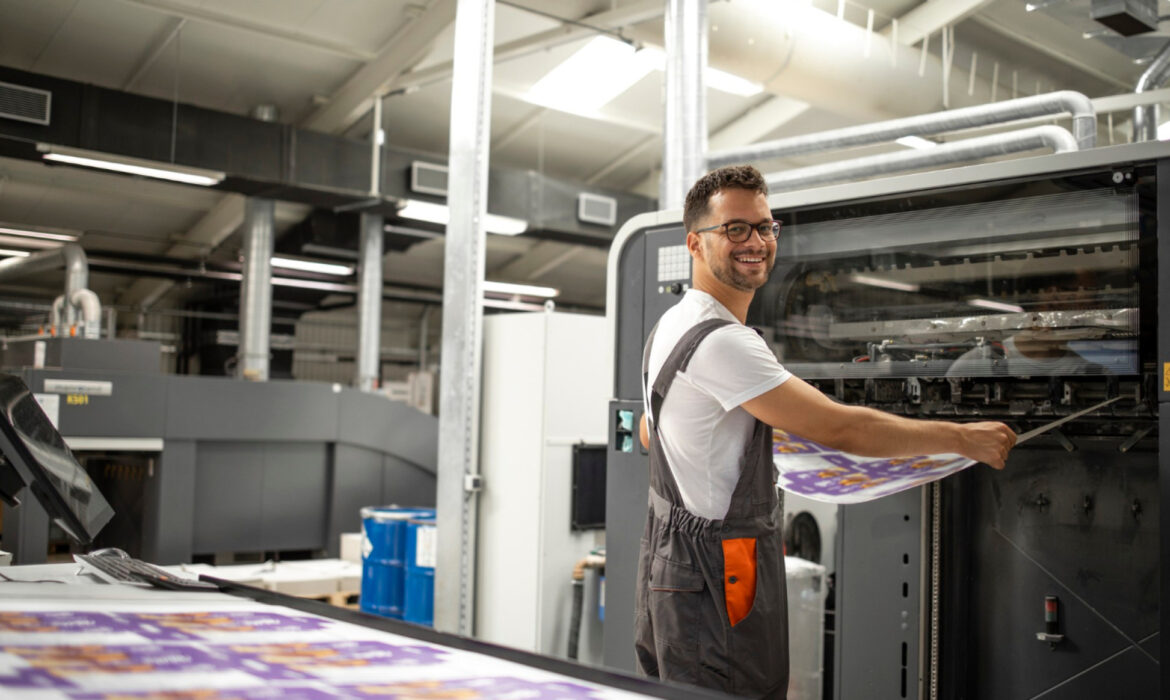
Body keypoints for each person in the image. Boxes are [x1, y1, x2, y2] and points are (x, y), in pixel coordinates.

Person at [634, 165, 1017, 699]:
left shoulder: (669, 326)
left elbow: (652, 433)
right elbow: (844, 428)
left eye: (767, 227)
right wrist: (961, 438)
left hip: (671, 566)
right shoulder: (724, 341)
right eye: (737, 229)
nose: (758, 242)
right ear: (696, 244)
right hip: (719, 572)